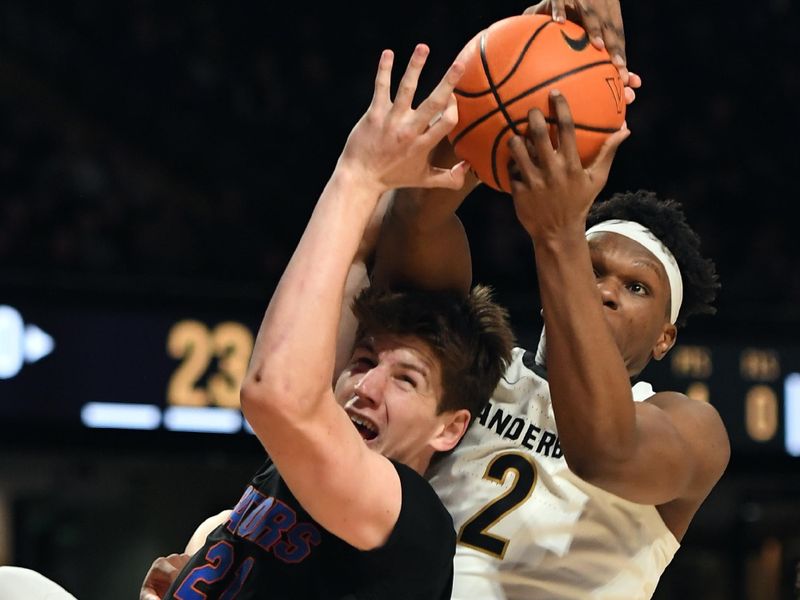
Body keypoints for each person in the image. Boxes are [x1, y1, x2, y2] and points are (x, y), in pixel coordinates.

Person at [146, 44, 514, 600]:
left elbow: (279, 393)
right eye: (364, 362)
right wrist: (502, 54)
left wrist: (358, 173)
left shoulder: (407, 522)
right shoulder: (306, 467)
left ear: (450, 427)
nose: (366, 387)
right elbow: (360, 248)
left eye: (406, 379)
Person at [371, 83, 730, 600]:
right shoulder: (475, 366)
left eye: (636, 287)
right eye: (592, 271)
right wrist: (501, 92)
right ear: (554, 293)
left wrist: (560, 236)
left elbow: (607, 453)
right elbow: (416, 219)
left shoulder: (690, 426)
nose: (605, 292)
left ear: (664, 339)